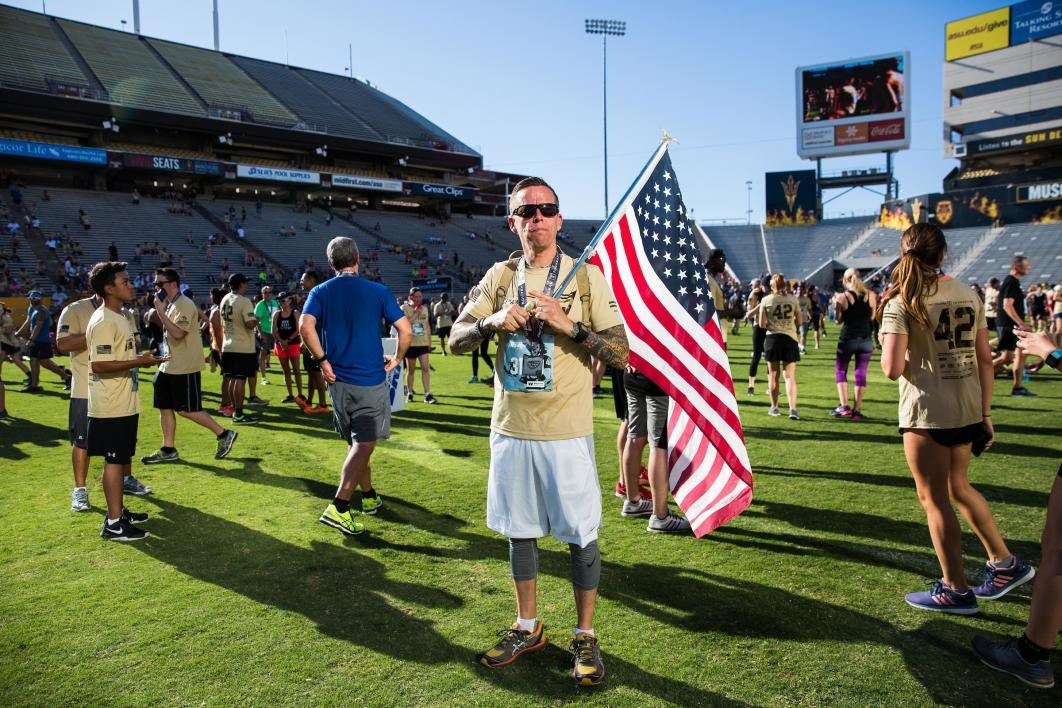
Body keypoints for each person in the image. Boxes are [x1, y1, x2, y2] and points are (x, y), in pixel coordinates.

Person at [449, 177, 628, 686]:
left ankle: (586, 635)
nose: (538, 218)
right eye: (527, 212)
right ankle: (528, 626)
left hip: (566, 430)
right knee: (519, 531)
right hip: (511, 428)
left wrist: (569, 326)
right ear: (513, 222)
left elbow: (620, 355)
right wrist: (493, 321)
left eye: (547, 209)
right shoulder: (499, 277)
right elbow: (456, 340)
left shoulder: (586, 277)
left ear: (559, 219)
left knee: (580, 535)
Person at [877, 224, 1034, 615]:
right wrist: (985, 414)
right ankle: (1004, 563)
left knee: (934, 500)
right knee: (960, 487)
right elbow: (985, 359)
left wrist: (889, 340)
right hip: (966, 408)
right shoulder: (969, 293)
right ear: (942, 255)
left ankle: (955, 588)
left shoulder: (903, 301)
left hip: (928, 412)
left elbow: (891, 369)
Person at [300, 237, 411, 535]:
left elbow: (305, 327)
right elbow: (405, 329)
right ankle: (339, 506)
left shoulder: (320, 291)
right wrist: (398, 357)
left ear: (331, 263)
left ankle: (370, 495)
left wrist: (322, 361)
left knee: (356, 444)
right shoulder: (377, 291)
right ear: (358, 258)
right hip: (368, 380)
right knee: (365, 444)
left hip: (337, 382)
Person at [85, 262, 161, 541]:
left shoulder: (120, 316)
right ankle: (114, 523)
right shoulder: (104, 319)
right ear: (108, 289)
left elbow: (121, 358)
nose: (130, 285)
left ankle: (118, 511)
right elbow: (100, 366)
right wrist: (140, 362)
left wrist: (142, 360)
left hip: (123, 401)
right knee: (114, 461)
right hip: (110, 404)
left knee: (121, 458)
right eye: (124, 281)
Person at [141, 269, 238, 465]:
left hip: (183, 366)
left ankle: (224, 434)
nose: (156, 288)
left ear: (173, 284)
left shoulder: (183, 304)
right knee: (164, 406)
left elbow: (178, 334)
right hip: (169, 364)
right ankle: (168, 448)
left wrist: (159, 312)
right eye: (155, 284)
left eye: (160, 284)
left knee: (187, 409)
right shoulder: (172, 304)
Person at [619, 366, 691, 533]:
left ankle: (633, 501)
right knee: (658, 443)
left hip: (632, 375)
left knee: (635, 437)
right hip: (656, 375)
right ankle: (660, 516)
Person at [831, 268, 877, 420]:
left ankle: (844, 406)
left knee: (841, 371)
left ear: (845, 280)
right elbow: (872, 316)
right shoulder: (870, 295)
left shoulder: (843, 297)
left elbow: (837, 321)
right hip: (865, 339)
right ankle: (857, 410)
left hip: (848, 339)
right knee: (860, 374)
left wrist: (836, 305)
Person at [759, 274, 802, 419]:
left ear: (772, 286)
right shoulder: (793, 299)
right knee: (790, 377)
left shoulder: (766, 300)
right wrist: (789, 326)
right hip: (790, 338)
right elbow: (800, 320)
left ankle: (774, 407)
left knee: (773, 376)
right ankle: (793, 409)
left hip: (773, 339)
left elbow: (761, 324)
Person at [991, 255, 1035, 397]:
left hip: (1011, 325)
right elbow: (1007, 305)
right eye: (1026, 265)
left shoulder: (1013, 282)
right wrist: (1021, 323)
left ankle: (1018, 387)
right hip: (1008, 325)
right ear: (1017, 267)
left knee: (1021, 354)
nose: (1029, 268)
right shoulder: (1011, 281)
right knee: (1007, 358)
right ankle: (976, 377)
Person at [220, 274, 261, 424]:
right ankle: (238, 413)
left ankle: (232, 409)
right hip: (242, 346)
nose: (247, 286)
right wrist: (258, 319)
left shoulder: (225, 299)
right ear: (241, 284)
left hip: (228, 345)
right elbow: (249, 324)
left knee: (230, 378)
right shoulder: (244, 301)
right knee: (239, 379)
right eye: (246, 283)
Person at [17, 290, 70, 392]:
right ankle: (34, 385)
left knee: (45, 363)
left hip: (41, 341)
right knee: (34, 361)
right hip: (37, 341)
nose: (32, 301)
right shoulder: (31, 309)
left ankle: (67, 376)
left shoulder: (41, 311)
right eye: (32, 299)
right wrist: (18, 333)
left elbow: (38, 327)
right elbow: (28, 322)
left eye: (33, 299)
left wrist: (31, 340)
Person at [297, 270, 329, 414]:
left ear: (311, 280)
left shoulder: (316, 295)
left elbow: (312, 322)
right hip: (315, 339)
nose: (301, 282)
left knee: (317, 373)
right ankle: (309, 401)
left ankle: (323, 405)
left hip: (316, 341)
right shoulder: (317, 294)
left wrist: (305, 341)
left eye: (303, 279)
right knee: (311, 372)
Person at [401, 287, 436, 403]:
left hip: (423, 344)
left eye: (420, 296)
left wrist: (429, 342)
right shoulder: (404, 308)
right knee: (411, 371)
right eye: (416, 296)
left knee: (425, 368)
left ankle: (427, 394)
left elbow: (427, 326)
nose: (419, 298)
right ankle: (410, 393)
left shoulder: (425, 309)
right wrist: (416, 313)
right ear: (411, 297)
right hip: (410, 344)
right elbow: (405, 324)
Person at [270, 292, 304, 404]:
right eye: (279, 301)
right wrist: (281, 341)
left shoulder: (295, 313)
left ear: (289, 301)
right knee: (286, 371)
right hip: (280, 346)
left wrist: (287, 340)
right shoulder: (276, 314)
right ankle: (290, 394)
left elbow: (298, 329)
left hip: (293, 344)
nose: (281, 302)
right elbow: (273, 330)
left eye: (283, 300)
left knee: (296, 370)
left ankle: (300, 394)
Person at [745, 279, 766, 396]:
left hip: (769, 326)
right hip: (758, 325)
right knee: (757, 356)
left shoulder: (768, 294)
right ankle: (751, 386)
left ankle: (771, 386)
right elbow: (749, 309)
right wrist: (761, 305)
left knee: (770, 358)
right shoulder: (754, 294)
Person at [254, 286, 279, 386]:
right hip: (264, 332)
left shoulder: (275, 303)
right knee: (263, 354)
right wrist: (260, 332)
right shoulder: (260, 305)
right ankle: (263, 378)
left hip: (275, 332)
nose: (267, 294)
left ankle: (286, 376)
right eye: (265, 292)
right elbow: (256, 320)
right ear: (262, 294)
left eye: (269, 292)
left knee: (281, 354)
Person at [433, 292, 455, 357]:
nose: (445, 300)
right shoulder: (437, 305)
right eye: (444, 298)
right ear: (441, 298)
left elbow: (452, 311)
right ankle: (443, 351)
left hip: (449, 324)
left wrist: (449, 312)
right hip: (441, 324)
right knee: (442, 339)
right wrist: (442, 313)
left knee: (451, 338)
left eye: (446, 298)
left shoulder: (449, 304)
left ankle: (453, 351)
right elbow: (435, 314)